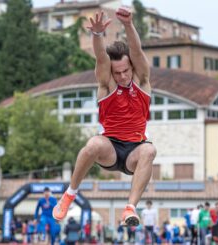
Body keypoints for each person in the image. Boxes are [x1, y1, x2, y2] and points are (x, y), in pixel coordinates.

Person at [52, 7, 156, 227]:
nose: (122, 76)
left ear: (132, 68)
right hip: (109, 148)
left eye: (126, 70)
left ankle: (130, 208)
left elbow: (136, 51)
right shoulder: (107, 84)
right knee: (92, 144)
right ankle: (70, 194)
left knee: (150, 149)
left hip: (133, 152)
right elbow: (101, 58)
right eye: (117, 73)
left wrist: (128, 25)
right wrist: (97, 35)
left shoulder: (142, 80)